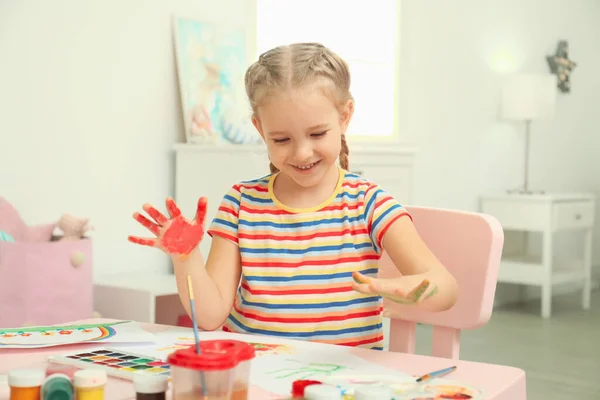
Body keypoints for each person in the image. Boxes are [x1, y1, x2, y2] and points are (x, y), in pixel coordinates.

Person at [129, 42, 458, 350]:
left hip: (344, 383)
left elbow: (445, 288)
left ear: (344, 117)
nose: (302, 152)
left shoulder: (369, 204)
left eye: (317, 133)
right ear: (260, 130)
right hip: (257, 375)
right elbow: (211, 315)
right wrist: (186, 258)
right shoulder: (241, 204)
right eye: (282, 139)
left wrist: (412, 290)